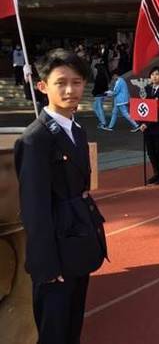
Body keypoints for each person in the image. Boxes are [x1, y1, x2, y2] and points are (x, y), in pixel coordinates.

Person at [14, 49, 107, 344]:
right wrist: (45, 265)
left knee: (72, 324)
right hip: (55, 251)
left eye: (77, 82)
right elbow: (34, 208)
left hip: (78, 239)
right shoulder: (35, 139)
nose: (70, 90)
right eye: (61, 82)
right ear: (43, 86)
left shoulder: (76, 130)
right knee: (54, 331)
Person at [91, 61, 110, 129]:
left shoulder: (99, 77)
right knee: (96, 107)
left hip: (98, 95)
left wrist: (94, 92)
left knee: (99, 108)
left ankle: (103, 123)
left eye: (95, 69)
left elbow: (98, 87)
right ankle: (102, 121)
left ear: (98, 69)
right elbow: (105, 87)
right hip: (101, 94)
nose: (94, 70)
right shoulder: (104, 76)